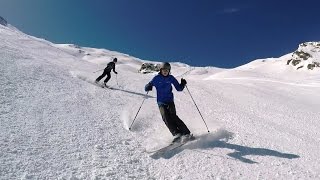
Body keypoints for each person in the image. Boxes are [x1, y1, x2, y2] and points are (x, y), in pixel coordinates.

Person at [145, 62, 192, 142]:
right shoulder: (156, 78)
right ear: (161, 70)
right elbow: (146, 88)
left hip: (170, 101)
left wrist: (183, 84)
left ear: (169, 70)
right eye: (164, 70)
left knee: (173, 116)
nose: (165, 71)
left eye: (167, 70)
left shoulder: (171, 78)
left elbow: (179, 89)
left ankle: (186, 132)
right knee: (165, 117)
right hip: (161, 102)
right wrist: (148, 86)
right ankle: (177, 134)